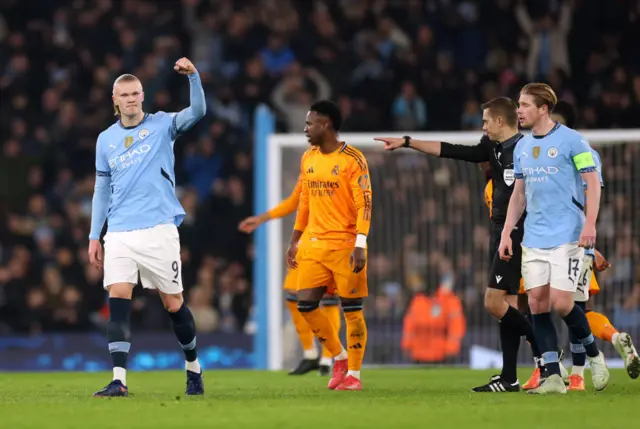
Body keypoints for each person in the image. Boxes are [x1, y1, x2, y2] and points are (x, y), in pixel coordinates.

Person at [375, 97, 541, 393]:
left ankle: (547, 355)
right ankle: (510, 377)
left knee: (494, 302)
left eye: (486, 120)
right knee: (510, 307)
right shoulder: (492, 148)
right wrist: (408, 141)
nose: (483, 126)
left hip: (518, 234)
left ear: (500, 122)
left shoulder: (528, 150)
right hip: (499, 231)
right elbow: (450, 150)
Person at [88, 57, 206, 397]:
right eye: (123, 95)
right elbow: (101, 190)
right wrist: (95, 235)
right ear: (115, 99)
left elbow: (197, 112)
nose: (130, 99)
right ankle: (119, 380)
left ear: (143, 96)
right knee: (118, 299)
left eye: (135, 93)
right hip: (120, 233)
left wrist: (194, 77)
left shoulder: (162, 125)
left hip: (158, 229)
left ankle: (193, 368)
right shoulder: (105, 140)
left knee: (173, 304)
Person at [500, 83, 609, 394]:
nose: (518, 110)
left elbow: (593, 184)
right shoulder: (521, 146)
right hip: (534, 236)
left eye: (524, 105)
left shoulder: (573, 141)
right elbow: (518, 194)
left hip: (568, 235)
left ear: (543, 108)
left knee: (563, 304)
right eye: (518, 105)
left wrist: (590, 225)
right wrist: (507, 232)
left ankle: (593, 354)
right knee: (537, 304)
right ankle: (550, 376)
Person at [551, 102, 640, 388]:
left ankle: (575, 370)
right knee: (576, 307)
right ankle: (607, 343)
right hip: (577, 240)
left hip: (562, 240)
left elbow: (581, 198)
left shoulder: (570, 153)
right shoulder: (583, 153)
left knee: (564, 308)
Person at [287, 100, 371, 391]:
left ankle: (355, 376)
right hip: (314, 246)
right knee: (306, 304)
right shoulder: (308, 158)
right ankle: (339, 356)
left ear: (326, 125)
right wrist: (294, 240)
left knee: (352, 310)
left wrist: (360, 243)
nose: (306, 128)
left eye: (310, 123)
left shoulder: (352, 159)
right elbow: (305, 202)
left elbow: (364, 202)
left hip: (346, 246)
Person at [238, 177, 342, 376]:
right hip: (307, 242)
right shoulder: (308, 169)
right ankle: (310, 354)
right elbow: (294, 201)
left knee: (329, 300)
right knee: (293, 296)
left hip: (333, 241)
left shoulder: (340, 170)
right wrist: (262, 218)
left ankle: (328, 357)